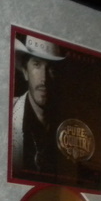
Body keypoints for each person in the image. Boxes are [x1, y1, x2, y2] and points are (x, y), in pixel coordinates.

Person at [11, 33, 66, 176]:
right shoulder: (8, 114)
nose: (44, 78)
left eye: (51, 68)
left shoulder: (66, 123)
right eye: (37, 65)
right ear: (25, 72)